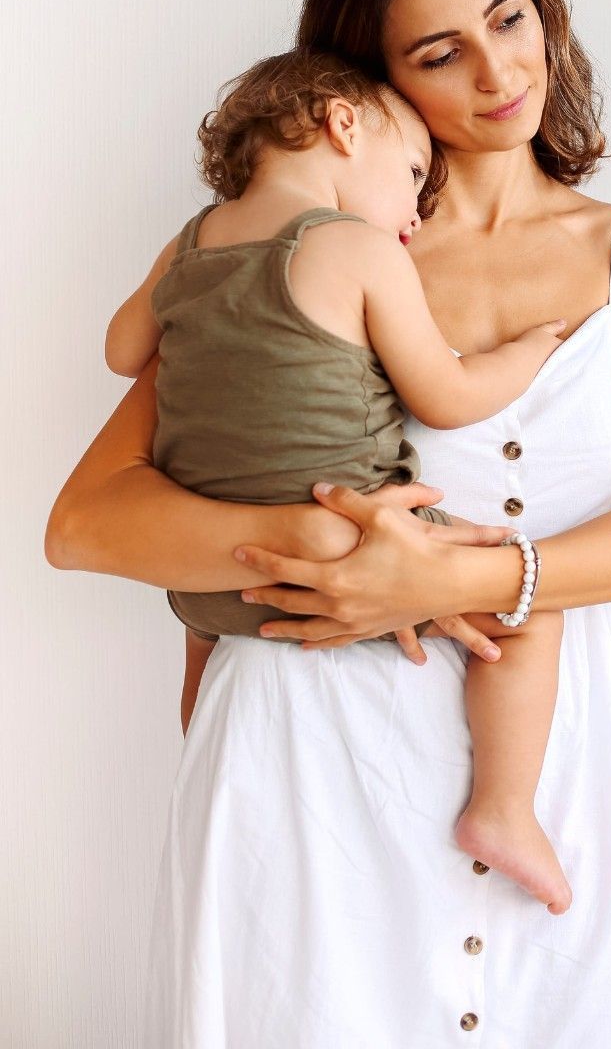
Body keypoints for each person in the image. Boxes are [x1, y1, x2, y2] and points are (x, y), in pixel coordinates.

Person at [46, 0, 611, 1048]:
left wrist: (446, 579)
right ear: (366, 87)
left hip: (552, 764)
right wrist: (325, 550)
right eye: (438, 51)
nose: (497, 72)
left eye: (509, 19)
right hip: (309, 754)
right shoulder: (309, 251)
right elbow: (89, 521)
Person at [103, 45, 573, 913]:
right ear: (341, 125)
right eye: (411, 174)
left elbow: (121, 349)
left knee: (209, 678)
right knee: (524, 603)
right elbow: (448, 392)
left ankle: (222, 781)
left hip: (209, 594)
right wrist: (526, 352)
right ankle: (504, 812)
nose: (414, 214)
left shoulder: (190, 242)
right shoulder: (353, 246)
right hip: (357, 549)